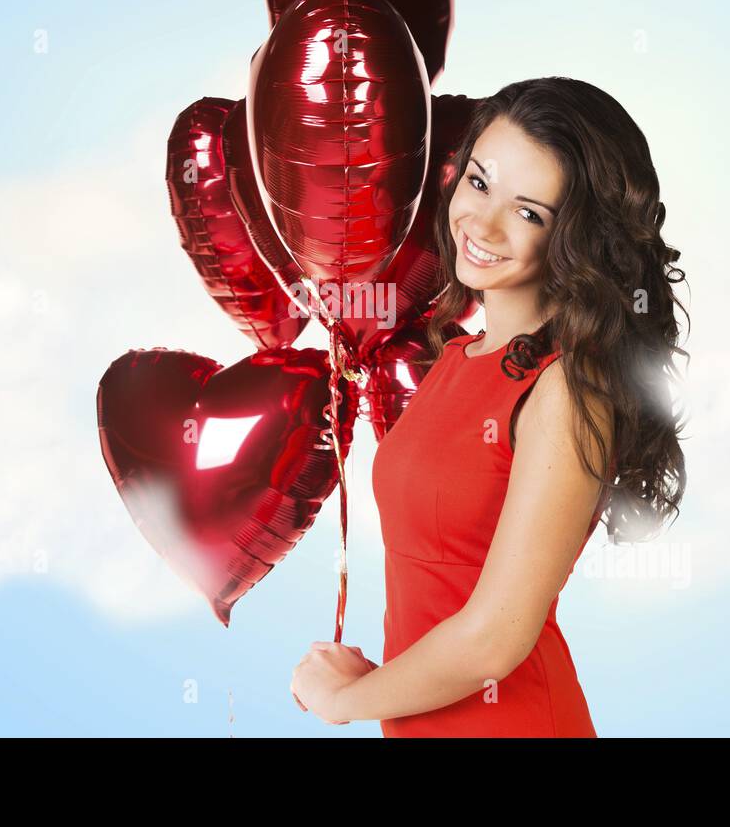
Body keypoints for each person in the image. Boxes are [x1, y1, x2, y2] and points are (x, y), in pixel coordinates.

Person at [291, 76, 689, 735]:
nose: (484, 222)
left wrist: (343, 701)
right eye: (479, 183)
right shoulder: (456, 361)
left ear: (577, 239)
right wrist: (371, 685)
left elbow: (495, 640)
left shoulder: (567, 391)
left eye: (529, 212)